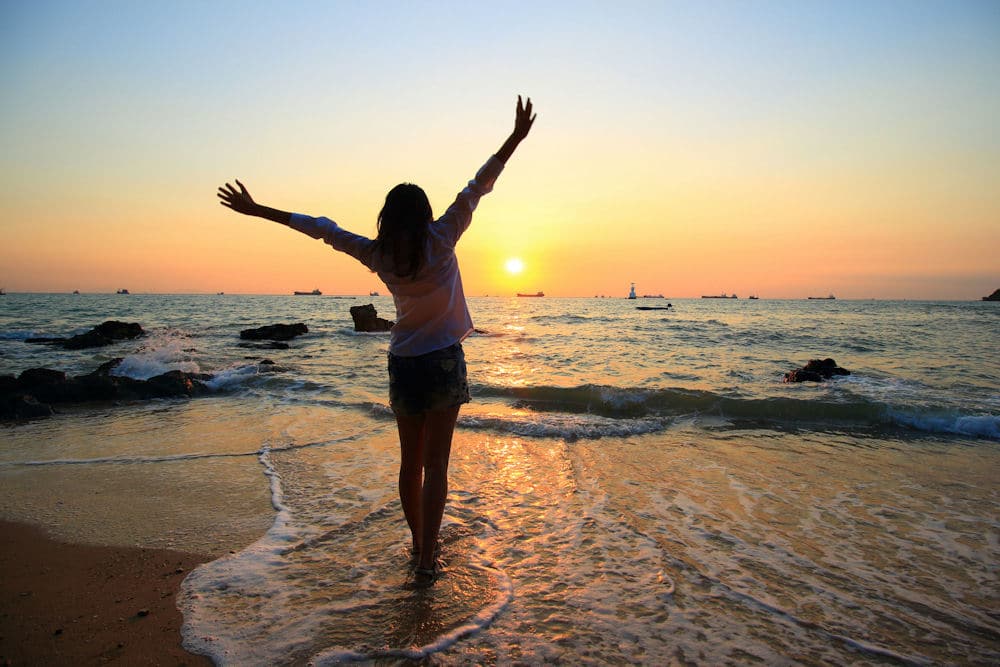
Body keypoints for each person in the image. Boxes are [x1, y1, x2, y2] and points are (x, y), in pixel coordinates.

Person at [217, 96, 536, 584]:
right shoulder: (442, 238)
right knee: (437, 466)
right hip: (444, 362)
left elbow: (321, 229)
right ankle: (429, 560)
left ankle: (417, 547)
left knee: (411, 464)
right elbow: (478, 187)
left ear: (387, 217)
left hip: (404, 361)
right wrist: (514, 138)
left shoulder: (377, 254)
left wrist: (257, 209)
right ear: (424, 212)